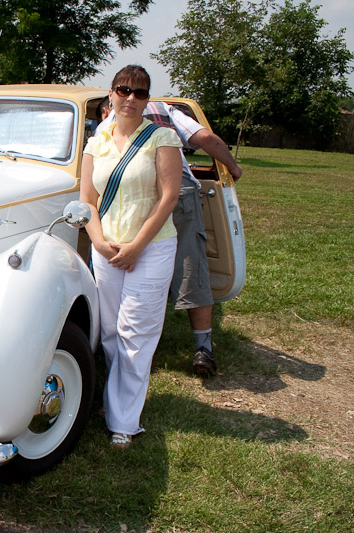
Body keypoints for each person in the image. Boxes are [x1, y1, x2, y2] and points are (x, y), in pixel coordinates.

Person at [98, 100, 244, 376]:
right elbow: (206, 138)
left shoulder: (105, 127)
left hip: (128, 199)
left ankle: (124, 347)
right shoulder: (163, 109)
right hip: (178, 193)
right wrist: (233, 167)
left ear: (106, 107)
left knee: (125, 268)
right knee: (191, 266)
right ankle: (203, 347)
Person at [80, 65, 182, 448]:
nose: (131, 98)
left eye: (140, 93)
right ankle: (115, 399)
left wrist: (137, 245)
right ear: (111, 94)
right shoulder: (96, 142)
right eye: (124, 90)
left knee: (135, 332)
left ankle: (123, 421)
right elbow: (87, 200)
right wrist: (98, 242)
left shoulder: (162, 138)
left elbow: (169, 197)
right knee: (109, 331)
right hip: (106, 248)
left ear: (147, 99)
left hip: (151, 248)